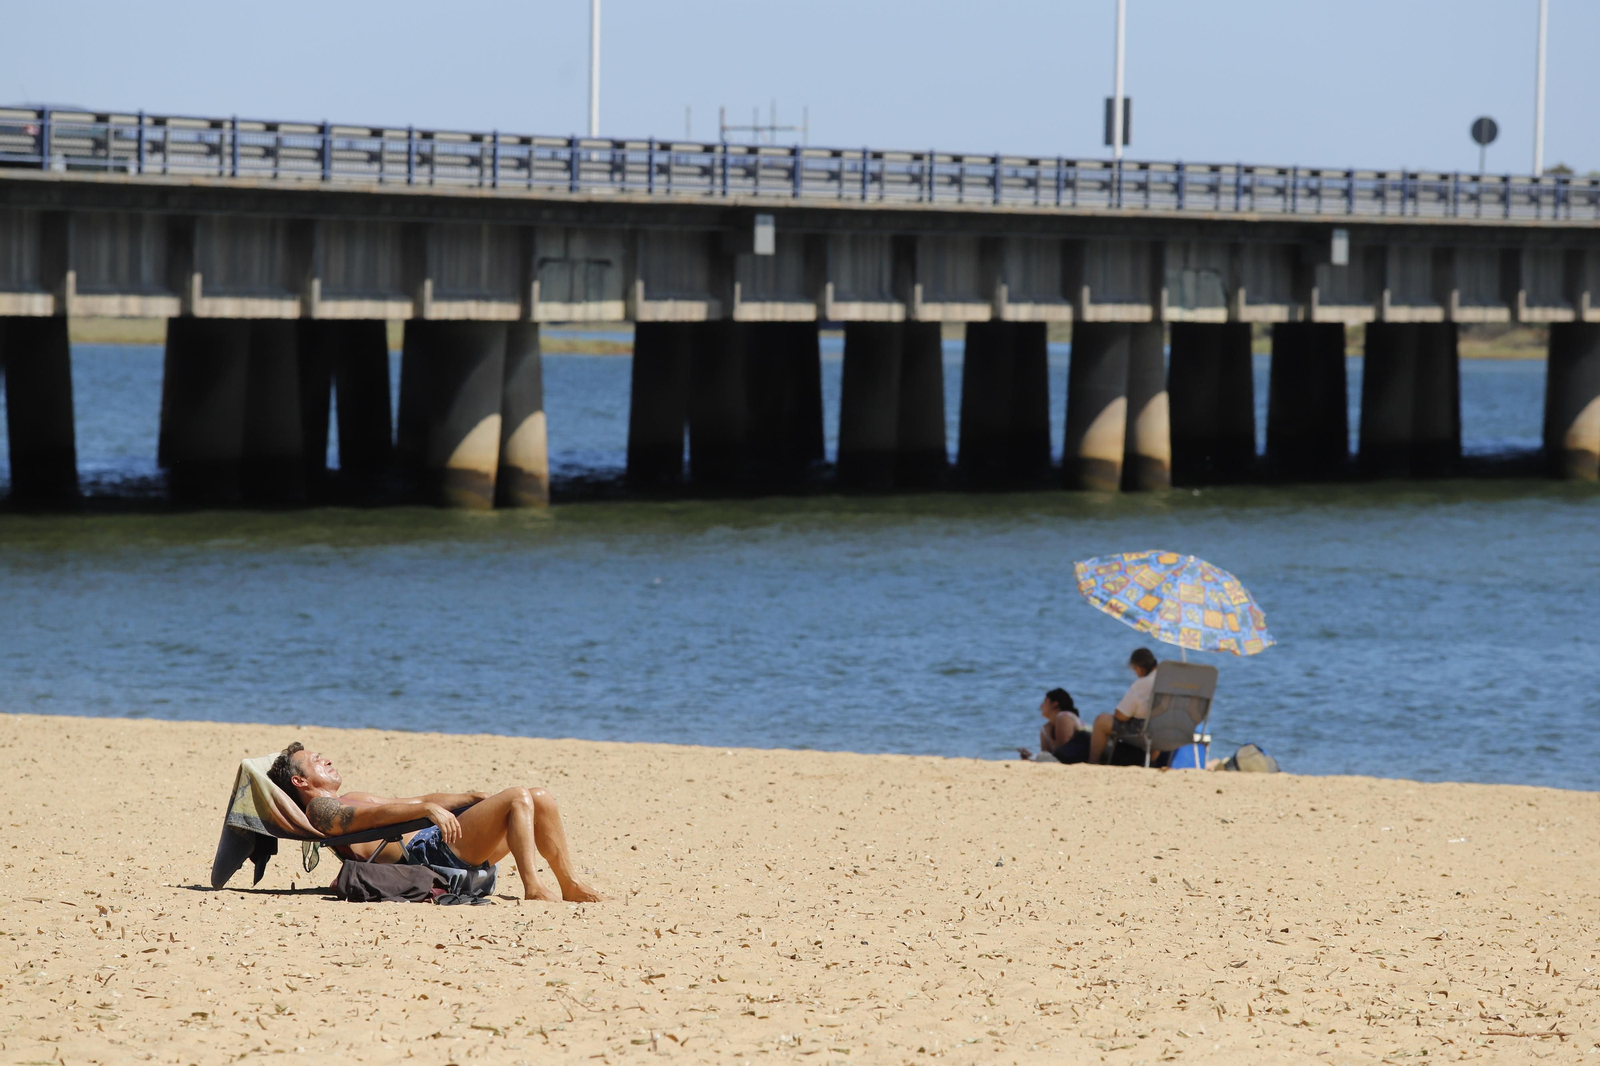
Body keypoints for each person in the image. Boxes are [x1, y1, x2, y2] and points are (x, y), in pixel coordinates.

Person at [266, 742, 601, 903]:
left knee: (538, 796)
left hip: (440, 842)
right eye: (314, 761)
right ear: (300, 782)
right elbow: (372, 818)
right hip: (429, 856)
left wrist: (464, 798)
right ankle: (533, 888)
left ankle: (569, 884)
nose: (325, 758)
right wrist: (427, 810)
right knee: (516, 797)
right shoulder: (320, 812)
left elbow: (408, 802)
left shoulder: (354, 794)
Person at [1088, 647, 1159, 765]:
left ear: (1139, 668)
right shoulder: (1168, 680)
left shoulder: (1143, 683)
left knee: (1101, 721)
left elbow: (1121, 716)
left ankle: (1093, 762)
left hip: (1143, 731)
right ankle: (1152, 762)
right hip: (1165, 731)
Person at [1016, 688, 1090, 763]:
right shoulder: (1045, 728)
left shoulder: (1064, 717)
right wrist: (1032, 756)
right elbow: (1048, 757)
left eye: (1044, 702)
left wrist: (1035, 757)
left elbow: (1064, 754)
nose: (1041, 706)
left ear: (1055, 704)